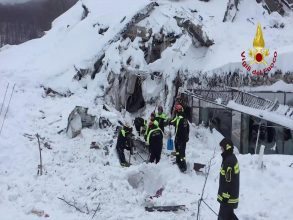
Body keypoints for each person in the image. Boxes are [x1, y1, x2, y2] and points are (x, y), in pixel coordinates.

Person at [217, 138, 240, 220]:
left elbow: (228, 181)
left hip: (227, 198)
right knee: (229, 216)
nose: (221, 150)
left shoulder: (229, 162)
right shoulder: (230, 158)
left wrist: (225, 197)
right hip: (229, 197)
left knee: (223, 217)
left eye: (222, 148)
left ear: (227, 148)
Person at [169, 104, 189, 172]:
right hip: (178, 138)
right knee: (177, 151)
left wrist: (186, 137)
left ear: (177, 111)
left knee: (181, 152)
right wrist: (169, 122)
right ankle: (178, 161)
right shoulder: (181, 117)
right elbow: (174, 121)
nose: (175, 112)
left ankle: (183, 166)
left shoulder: (181, 118)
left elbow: (186, 128)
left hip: (181, 139)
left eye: (176, 111)